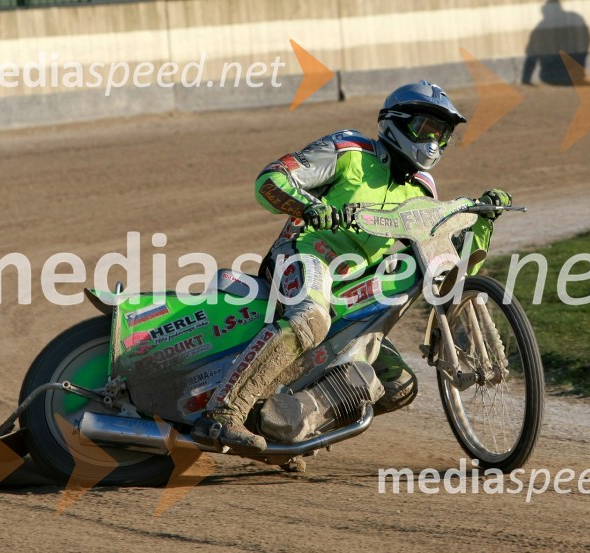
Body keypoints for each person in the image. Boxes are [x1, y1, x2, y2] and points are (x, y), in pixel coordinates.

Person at [192, 81, 513, 453]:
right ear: (396, 122)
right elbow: (272, 179)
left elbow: (444, 260)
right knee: (311, 319)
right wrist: (311, 207)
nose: (433, 143)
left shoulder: (423, 188)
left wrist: (481, 219)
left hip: (353, 288)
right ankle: (222, 414)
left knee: (398, 383)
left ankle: (288, 429)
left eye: (442, 135)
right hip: (303, 253)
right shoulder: (349, 150)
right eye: (425, 129)